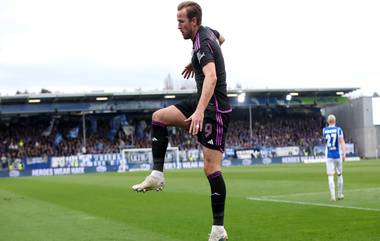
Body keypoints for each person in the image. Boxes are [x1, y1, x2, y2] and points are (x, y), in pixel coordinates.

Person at [132, 1, 231, 240]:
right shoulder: (206, 36)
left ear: (194, 21)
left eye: (181, 22)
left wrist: (198, 112)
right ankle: (157, 175)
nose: (178, 26)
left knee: (211, 168)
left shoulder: (203, 42)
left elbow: (212, 77)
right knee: (159, 117)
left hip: (214, 111)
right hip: (202, 102)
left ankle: (218, 230)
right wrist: (195, 61)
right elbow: (223, 38)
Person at [323, 114, 346, 201]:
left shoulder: (324, 130)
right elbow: (342, 142)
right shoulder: (338, 130)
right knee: (339, 174)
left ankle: (332, 196)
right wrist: (344, 154)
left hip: (329, 155)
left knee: (330, 176)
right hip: (337, 155)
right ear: (335, 121)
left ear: (328, 122)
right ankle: (340, 194)